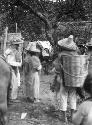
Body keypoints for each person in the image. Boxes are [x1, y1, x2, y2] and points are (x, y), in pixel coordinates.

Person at [52, 35, 82, 124]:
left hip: (64, 79)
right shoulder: (77, 54)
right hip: (74, 80)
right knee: (73, 96)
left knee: (63, 96)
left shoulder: (61, 55)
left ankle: (64, 117)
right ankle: (72, 116)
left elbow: (57, 68)